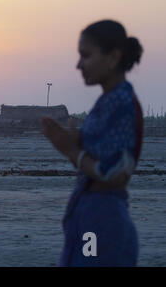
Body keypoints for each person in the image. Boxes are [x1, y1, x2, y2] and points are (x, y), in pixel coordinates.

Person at [41, 20, 143, 266]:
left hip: (104, 220)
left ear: (113, 58)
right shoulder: (107, 102)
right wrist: (74, 142)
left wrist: (70, 150)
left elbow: (115, 172)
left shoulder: (121, 103)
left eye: (86, 56)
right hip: (90, 215)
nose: (79, 65)